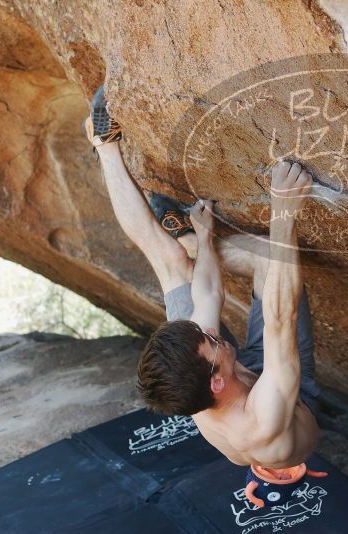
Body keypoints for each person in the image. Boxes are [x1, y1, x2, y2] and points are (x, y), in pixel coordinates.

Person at [84, 86, 323, 472]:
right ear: (215, 382)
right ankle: (191, 241)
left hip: (234, 379)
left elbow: (208, 291)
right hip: (289, 398)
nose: (212, 332)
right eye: (213, 341)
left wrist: (208, 239)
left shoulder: (192, 371)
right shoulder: (263, 423)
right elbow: (281, 320)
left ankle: (105, 145)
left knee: (169, 260)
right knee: (270, 255)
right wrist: (283, 209)